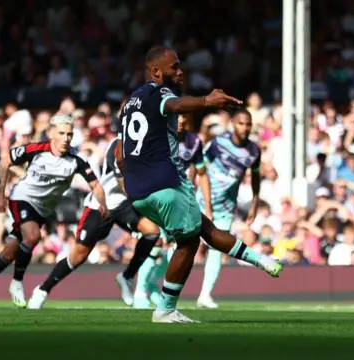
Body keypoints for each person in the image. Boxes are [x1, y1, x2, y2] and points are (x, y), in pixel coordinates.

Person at [116, 46, 282, 323]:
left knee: (203, 228)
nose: (180, 71)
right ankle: (165, 308)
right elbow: (176, 106)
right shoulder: (161, 93)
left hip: (136, 190)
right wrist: (208, 100)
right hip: (164, 184)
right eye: (174, 67)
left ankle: (261, 261)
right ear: (156, 72)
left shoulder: (131, 101)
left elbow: (121, 155)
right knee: (190, 241)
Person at [0, 114, 109, 307]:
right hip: (22, 198)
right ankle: (17, 282)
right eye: (61, 133)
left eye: (69, 135)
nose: (66, 138)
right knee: (32, 236)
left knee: (8, 254)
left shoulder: (75, 161)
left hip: (42, 211)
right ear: (52, 133)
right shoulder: (36, 149)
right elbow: (5, 161)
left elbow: (96, 185)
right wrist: (1, 195)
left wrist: (103, 203)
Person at [25, 136, 162, 309]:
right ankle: (43, 290)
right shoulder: (118, 144)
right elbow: (125, 185)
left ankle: (126, 277)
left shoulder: (155, 149)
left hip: (125, 204)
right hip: (102, 204)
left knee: (153, 232)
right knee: (79, 255)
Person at [131, 114, 212, 309]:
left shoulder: (194, 141)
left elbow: (201, 173)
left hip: (180, 201)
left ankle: (152, 285)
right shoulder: (158, 138)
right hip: (157, 198)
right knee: (157, 242)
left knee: (178, 247)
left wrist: (207, 206)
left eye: (184, 118)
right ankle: (140, 291)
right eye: (177, 117)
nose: (181, 121)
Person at [195, 109, 261, 308]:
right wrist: (205, 204)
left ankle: (205, 295)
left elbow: (256, 176)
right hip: (202, 202)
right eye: (241, 123)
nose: (245, 128)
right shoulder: (218, 143)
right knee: (181, 244)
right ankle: (156, 284)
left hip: (226, 206)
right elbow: (199, 168)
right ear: (233, 123)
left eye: (248, 124)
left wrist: (254, 204)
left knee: (218, 248)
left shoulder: (254, 151)